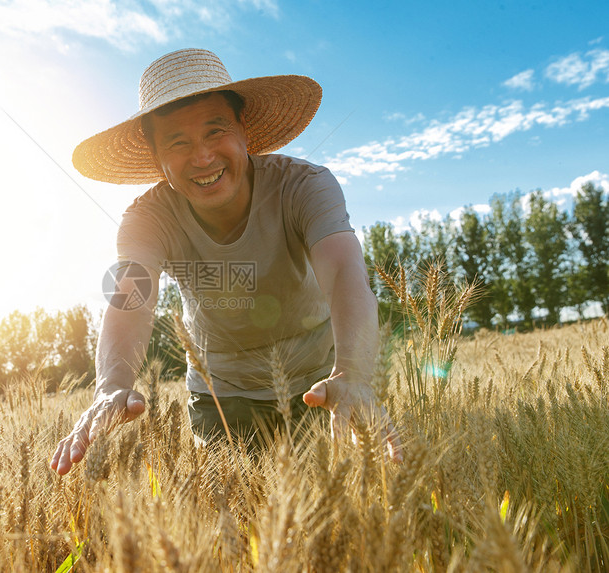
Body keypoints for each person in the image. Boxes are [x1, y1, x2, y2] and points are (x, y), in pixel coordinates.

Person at [51, 48, 401, 475]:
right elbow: (130, 298)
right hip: (221, 399)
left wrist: (353, 374)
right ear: (158, 159)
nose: (202, 158)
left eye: (215, 132)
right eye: (178, 142)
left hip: (321, 384)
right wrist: (110, 386)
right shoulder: (145, 220)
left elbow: (346, 271)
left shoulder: (306, 186)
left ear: (244, 132)